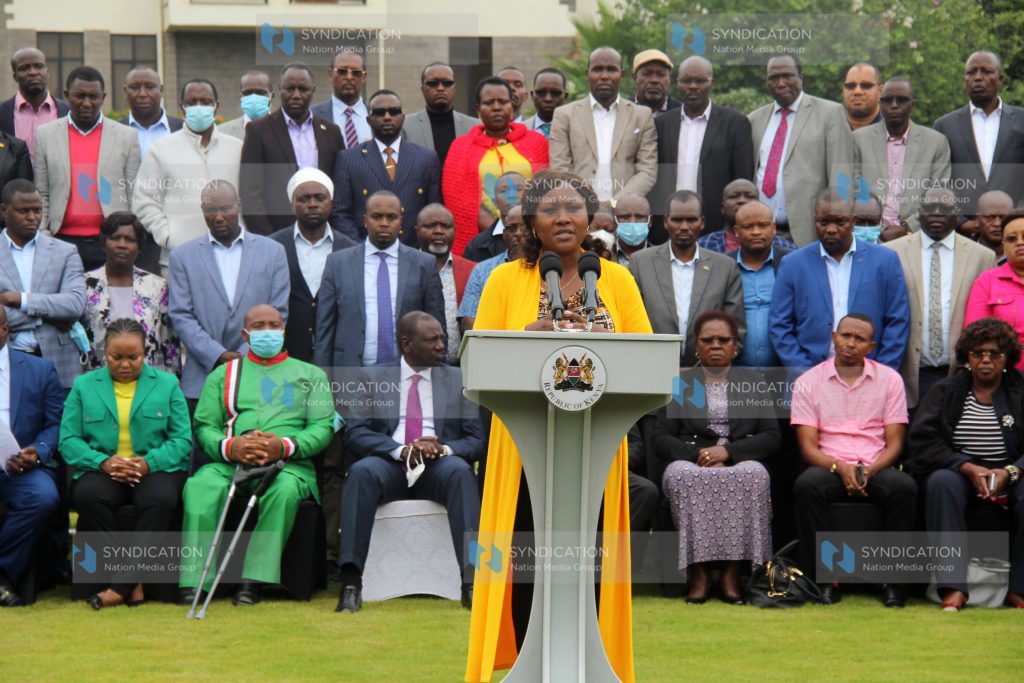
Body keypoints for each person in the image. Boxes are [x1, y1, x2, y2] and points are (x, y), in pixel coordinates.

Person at [466, 170, 648, 683]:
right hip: (522, 446)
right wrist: (528, 337)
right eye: (550, 209)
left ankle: (587, 664)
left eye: (573, 207)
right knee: (526, 551)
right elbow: (480, 363)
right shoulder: (504, 280)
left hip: (596, 442)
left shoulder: (616, 280)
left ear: (590, 219)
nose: (563, 217)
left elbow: (650, 360)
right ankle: (530, 663)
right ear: (531, 223)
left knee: (589, 553)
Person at [179, 304, 334, 606]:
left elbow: (322, 427)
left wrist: (283, 445)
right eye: (259, 326)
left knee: (285, 491)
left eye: (274, 325)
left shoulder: (311, 375)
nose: (268, 331)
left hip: (288, 465)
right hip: (230, 462)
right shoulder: (224, 375)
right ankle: (194, 580)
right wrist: (232, 446)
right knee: (199, 486)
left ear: (283, 330)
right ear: (245, 334)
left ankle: (253, 580)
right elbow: (204, 426)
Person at [336, 312, 484, 613]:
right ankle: (351, 584)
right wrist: (400, 450)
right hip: (390, 465)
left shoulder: (458, 378)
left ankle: (472, 583)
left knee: (460, 473)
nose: (442, 345)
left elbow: (476, 440)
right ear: (407, 344)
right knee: (362, 472)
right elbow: (355, 433)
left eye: (442, 338)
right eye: (433, 340)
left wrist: (442, 448)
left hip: (437, 467)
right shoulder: (372, 378)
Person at [59, 318, 190, 609]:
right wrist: (103, 462)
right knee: (88, 496)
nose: (126, 364)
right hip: (103, 468)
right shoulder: (84, 385)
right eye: (117, 357)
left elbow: (182, 441)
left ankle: (120, 586)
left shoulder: (168, 384)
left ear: (147, 354)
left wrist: (148, 463)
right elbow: (68, 441)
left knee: (162, 499)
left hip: (155, 469)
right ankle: (133, 582)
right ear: (104, 353)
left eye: (134, 357)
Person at [791, 313, 916, 607]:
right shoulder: (809, 382)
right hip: (829, 465)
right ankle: (824, 581)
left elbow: (896, 442)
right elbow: (808, 448)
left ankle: (893, 582)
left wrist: (871, 470)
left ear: (871, 347)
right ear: (834, 337)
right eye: (845, 336)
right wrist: (840, 467)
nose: (850, 343)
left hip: (876, 464)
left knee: (904, 488)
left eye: (859, 339)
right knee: (806, 487)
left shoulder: (890, 380)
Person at [653, 311, 778, 604]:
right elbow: (660, 437)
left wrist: (730, 452)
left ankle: (732, 575)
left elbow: (772, 436)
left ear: (736, 345)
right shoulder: (682, 383)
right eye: (708, 340)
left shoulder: (754, 382)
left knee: (754, 475)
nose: (716, 345)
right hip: (693, 459)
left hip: (738, 459)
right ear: (697, 346)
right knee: (683, 476)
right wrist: (700, 454)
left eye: (724, 340)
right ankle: (698, 574)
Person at [906, 318, 1024, 610]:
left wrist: (1010, 471)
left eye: (995, 353)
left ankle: (1019, 589)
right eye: (978, 353)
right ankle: (953, 587)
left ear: (1007, 358)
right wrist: (966, 466)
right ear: (967, 357)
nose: (986, 360)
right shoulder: (947, 391)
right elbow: (923, 439)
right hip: (960, 471)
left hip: (1013, 472)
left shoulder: (1020, 390)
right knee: (940, 483)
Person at [167, 180, 290, 402]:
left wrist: (245, 354)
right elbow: (181, 315)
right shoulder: (183, 257)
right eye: (210, 211)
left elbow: (278, 311)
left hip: (260, 374)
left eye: (225, 209)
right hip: (202, 379)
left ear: (239, 205)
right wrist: (217, 355)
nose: (219, 217)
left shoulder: (273, 252)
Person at [769, 188, 910, 373]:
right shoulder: (794, 264)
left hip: (870, 377)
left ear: (853, 221)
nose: (831, 229)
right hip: (810, 378)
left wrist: (880, 373)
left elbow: (898, 321)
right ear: (814, 220)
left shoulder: (885, 260)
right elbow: (779, 325)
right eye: (823, 222)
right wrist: (804, 372)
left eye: (840, 222)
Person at [883, 187, 996, 408]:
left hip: (961, 372)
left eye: (944, 208)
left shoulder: (982, 256)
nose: (936, 213)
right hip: (909, 372)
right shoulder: (890, 253)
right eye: (929, 208)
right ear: (918, 212)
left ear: (957, 212)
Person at [314, 191, 445, 373]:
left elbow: (436, 325)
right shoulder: (337, 263)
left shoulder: (423, 264)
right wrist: (322, 382)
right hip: (350, 374)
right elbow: (324, 330)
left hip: (408, 375)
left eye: (391, 217)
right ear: (365, 220)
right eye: (377, 217)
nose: (384, 223)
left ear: (401, 221)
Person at [33, 66, 141, 271]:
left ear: (103, 97)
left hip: (110, 242)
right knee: (64, 301)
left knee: (108, 303)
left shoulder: (126, 137)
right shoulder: (46, 136)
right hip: (60, 241)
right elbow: (42, 193)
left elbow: (133, 193)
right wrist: (44, 235)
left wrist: (126, 238)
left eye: (94, 96)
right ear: (66, 96)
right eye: (79, 96)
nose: (87, 103)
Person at [132, 78, 242, 273]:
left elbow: (248, 199)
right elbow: (143, 200)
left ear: (216, 106)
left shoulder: (237, 148)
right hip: (180, 260)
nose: (199, 107)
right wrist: (167, 236)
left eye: (206, 102)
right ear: (182, 107)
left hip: (233, 256)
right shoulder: (161, 149)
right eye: (192, 103)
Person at [749, 54, 857, 246]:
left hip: (807, 235)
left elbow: (841, 177)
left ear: (801, 77)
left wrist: (836, 229)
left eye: (787, 76)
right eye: (773, 78)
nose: (781, 83)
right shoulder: (754, 119)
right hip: (759, 234)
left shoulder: (830, 114)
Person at [628, 190, 745, 366]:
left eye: (691, 220)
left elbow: (736, 328)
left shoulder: (725, 267)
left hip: (707, 373)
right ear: (666, 222)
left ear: (702, 222)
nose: (684, 226)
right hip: (651, 368)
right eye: (677, 220)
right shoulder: (641, 263)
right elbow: (631, 322)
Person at [650, 56, 754, 240]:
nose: (692, 86)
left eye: (700, 81)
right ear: (677, 83)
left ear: (712, 83)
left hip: (716, 228)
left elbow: (742, 179)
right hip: (668, 227)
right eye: (686, 81)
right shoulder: (662, 124)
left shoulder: (735, 123)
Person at [443, 77, 548, 257]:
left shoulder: (535, 142)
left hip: (532, 234)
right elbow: (457, 198)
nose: (497, 107)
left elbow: (545, 189)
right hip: (485, 239)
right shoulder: (461, 147)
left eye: (503, 101)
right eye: (489, 102)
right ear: (478, 109)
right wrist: (499, 227)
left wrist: (523, 224)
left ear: (512, 105)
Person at [0, 306, 63, 607]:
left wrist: (37, 452)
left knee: (43, 497)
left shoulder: (40, 370)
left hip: (21, 468)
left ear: (4, 330)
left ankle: (3, 571)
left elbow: (55, 424)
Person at [0, 179, 86, 389]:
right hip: (7, 360)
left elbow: (75, 305)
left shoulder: (65, 252)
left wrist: (19, 299)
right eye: (24, 211)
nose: (33, 217)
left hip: (59, 365)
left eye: (37, 210)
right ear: (4, 211)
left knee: (58, 423)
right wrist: (48, 319)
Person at [239, 62, 343, 235]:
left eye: (303, 89)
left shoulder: (331, 132)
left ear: (313, 90)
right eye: (290, 89)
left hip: (325, 235)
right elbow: (251, 195)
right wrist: (269, 240)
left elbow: (341, 188)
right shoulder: (258, 131)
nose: (296, 95)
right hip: (277, 235)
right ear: (279, 89)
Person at [330, 89, 442, 245]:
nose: (387, 117)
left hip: (414, 253)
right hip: (365, 252)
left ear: (402, 118)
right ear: (368, 120)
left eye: (394, 112)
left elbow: (434, 211)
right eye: (380, 113)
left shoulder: (426, 158)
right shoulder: (348, 159)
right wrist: (360, 249)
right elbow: (340, 213)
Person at [550, 46, 657, 205]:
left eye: (611, 70)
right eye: (597, 69)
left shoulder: (641, 116)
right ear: (587, 74)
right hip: (580, 211)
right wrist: (590, 205)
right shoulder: (564, 115)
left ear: (622, 74)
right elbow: (560, 169)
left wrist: (614, 204)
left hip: (625, 213)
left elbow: (647, 171)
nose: (604, 76)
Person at [269, 168, 356, 364]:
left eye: (319, 198)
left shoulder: (350, 249)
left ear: (331, 203)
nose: (312, 204)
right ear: (292, 205)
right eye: (303, 199)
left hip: (336, 356)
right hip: (286, 355)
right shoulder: (272, 247)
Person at [81, 212, 179, 373]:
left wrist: (173, 385)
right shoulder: (84, 285)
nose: (122, 244)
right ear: (104, 243)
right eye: (115, 238)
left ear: (139, 247)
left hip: (148, 383)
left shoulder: (158, 286)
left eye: (130, 240)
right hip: (98, 381)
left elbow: (169, 341)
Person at [854, 77, 950, 238]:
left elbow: (938, 197)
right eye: (887, 100)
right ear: (880, 103)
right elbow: (852, 188)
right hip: (869, 234)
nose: (894, 105)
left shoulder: (936, 142)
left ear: (913, 104)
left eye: (901, 100)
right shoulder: (858, 139)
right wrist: (879, 229)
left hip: (919, 236)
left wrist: (906, 227)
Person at [934, 51, 1024, 218]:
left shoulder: (1021, 120)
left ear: (1000, 79)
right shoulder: (945, 126)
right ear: (965, 80)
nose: (977, 78)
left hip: (1015, 228)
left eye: (986, 71)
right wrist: (960, 221)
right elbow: (940, 182)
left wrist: (1017, 217)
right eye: (971, 72)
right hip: (966, 229)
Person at [729, 201, 793, 369]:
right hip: (734, 371)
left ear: (773, 227)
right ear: (736, 231)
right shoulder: (723, 266)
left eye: (763, 225)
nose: (756, 232)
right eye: (748, 227)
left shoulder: (792, 263)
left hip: (784, 371)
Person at [965, 209, 1024, 370]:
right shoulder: (987, 282)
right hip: (1005, 377)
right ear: (1004, 245)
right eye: (1012, 239)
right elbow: (976, 337)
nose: (1019, 242)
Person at [415, 204, 472, 363]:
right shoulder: (404, 267)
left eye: (446, 226)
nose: (439, 231)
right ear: (417, 230)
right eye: (430, 226)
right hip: (416, 368)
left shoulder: (472, 270)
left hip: (461, 370)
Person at [458, 204, 528, 333]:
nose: (518, 233)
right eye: (511, 229)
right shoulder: (483, 270)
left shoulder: (548, 268)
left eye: (525, 228)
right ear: (503, 234)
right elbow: (469, 323)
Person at [403, 62, 479, 168]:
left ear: (454, 88)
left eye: (447, 83)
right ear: (422, 89)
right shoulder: (405, 126)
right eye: (433, 83)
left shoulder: (474, 127)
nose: (440, 88)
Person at [0, 47, 70, 156]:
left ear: (47, 72)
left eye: (39, 66)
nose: (33, 72)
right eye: (24, 68)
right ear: (15, 77)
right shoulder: (2, 112)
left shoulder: (68, 112)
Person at [697, 178, 796, 254]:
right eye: (734, 196)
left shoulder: (787, 249)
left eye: (749, 196)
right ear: (722, 208)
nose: (742, 201)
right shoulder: (703, 246)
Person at [311, 50, 372, 149]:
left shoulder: (376, 116)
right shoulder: (312, 116)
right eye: (342, 71)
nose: (349, 77)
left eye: (356, 73)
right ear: (330, 74)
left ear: (364, 77)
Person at [462, 170, 525, 262]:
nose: (512, 195)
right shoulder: (477, 246)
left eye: (518, 189)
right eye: (504, 191)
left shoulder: (543, 237)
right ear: (495, 203)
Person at [120, 67, 183, 158]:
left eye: (150, 87)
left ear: (161, 90)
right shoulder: (113, 133)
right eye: (135, 87)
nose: (142, 94)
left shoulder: (182, 129)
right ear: (126, 92)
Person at [217, 70, 273, 140]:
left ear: (271, 96)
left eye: (260, 92)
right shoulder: (222, 131)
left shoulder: (284, 129)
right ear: (241, 97)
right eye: (247, 93)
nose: (253, 97)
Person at [630, 49, 679, 117]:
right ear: (635, 77)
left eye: (661, 74)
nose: (654, 80)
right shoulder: (622, 111)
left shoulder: (682, 113)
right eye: (647, 74)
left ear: (669, 77)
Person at [610, 193, 652, 265]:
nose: (632, 222)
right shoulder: (603, 255)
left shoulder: (663, 258)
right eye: (625, 217)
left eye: (639, 217)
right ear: (615, 221)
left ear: (650, 221)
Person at [524, 68, 566, 138]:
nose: (548, 99)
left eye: (555, 93)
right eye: (541, 93)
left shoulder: (577, 131)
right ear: (532, 95)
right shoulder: (519, 131)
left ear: (565, 96)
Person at [975, 190, 1013, 263]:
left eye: (1003, 217)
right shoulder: (960, 252)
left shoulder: (1020, 253)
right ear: (977, 220)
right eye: (989, 217)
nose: (997, 224)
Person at [842, 63, 883, 130]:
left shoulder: (894, 131)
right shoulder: (827, 129)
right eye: (850, 86)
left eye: (866, 86)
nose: (857, 91)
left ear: (880, 92)